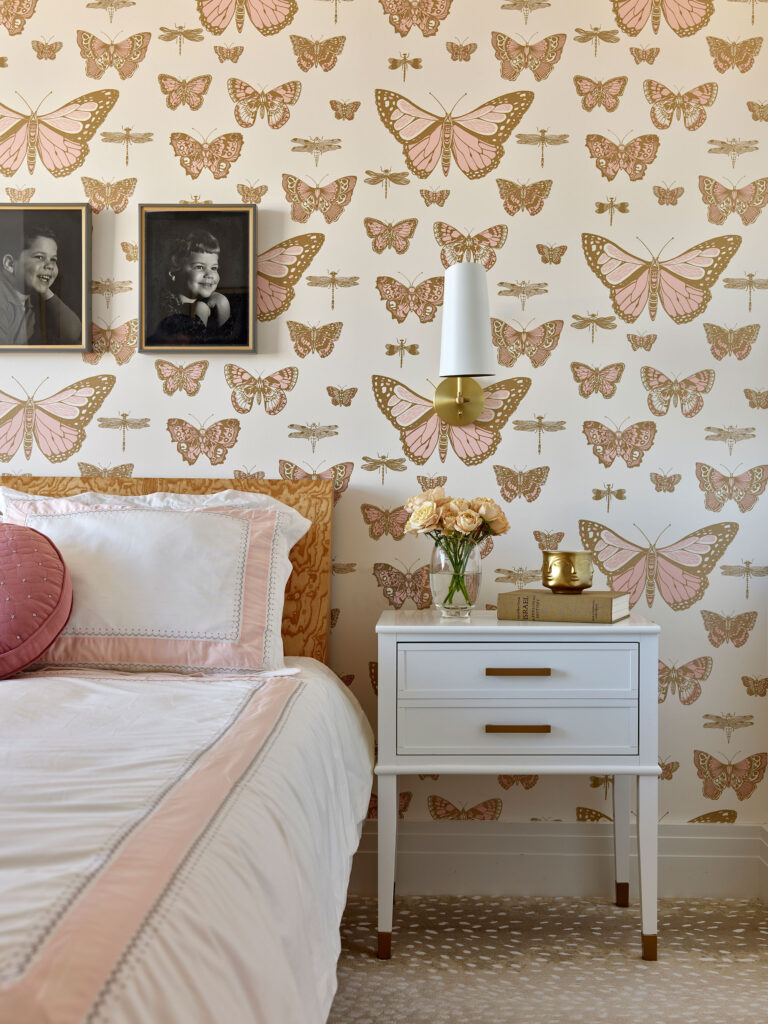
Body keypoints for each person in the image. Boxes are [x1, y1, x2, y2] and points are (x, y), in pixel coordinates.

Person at [148, 229, 237, 346]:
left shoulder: (213, 305)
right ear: (174, 268)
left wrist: (223, 308)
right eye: (199, 267)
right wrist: (200, 314)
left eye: (214, 268)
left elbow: (227, 348)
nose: (209, 274)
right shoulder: (162, 307)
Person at [0, 222, 82, 346]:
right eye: (39, 257)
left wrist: (44, 288)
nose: (49, 266)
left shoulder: (29, 299)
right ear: (10, 264)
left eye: (53, 259)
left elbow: (72, 333)